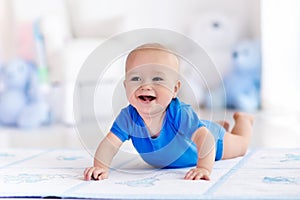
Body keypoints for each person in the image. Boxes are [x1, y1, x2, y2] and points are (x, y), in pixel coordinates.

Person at [84, 43, 254, 181]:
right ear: (125, 86)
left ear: (175, 90)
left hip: (213, 144)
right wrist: (100, 167)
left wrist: (203, 167)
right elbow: (109, 145)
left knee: (240, 146)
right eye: (136, 78)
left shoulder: (179, 113)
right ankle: (216, 125)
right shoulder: (128, 118)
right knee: (199, 129)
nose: (145, 85)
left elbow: (206, 140)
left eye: (157, 79)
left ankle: (243, 121)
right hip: (196, 133)